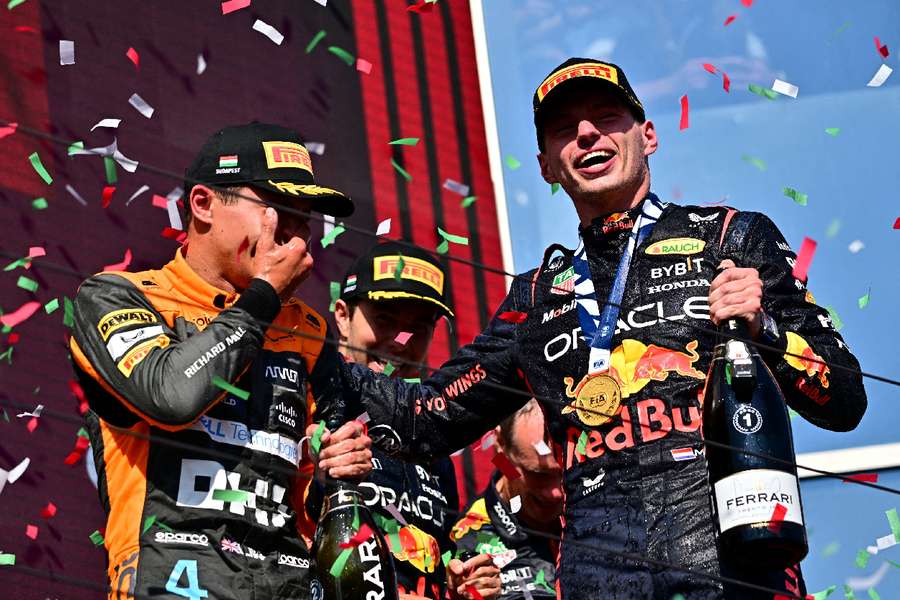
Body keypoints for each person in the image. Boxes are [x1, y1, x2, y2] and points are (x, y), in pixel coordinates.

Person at [315, 59, 868, 598]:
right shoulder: (534, 297)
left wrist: (764, 328)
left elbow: (844, 399)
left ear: (648, 135)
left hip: (735, 571)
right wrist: (299, 340)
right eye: (563, 130)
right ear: (546, 166)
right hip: (596, 579)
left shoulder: (731, 237)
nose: (585, 134)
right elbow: (421, 420)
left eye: (605, 117)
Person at [69, 122, 372, 599]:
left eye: (305, 216)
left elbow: (313, 506)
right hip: (168, 582)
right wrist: (261, 301)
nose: (295, 233)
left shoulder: (309, 332)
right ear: (203, 205)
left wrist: (333, 473)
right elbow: (170, 396)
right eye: (278, 208)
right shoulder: (118, 294)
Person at [316, 241, 501, 599]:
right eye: (384, 320)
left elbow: (440, 556)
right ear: (341, 315)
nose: (401, 342)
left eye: (419, 327)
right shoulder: (310, 403)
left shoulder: (430, 444)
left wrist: (464, 581)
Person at [450, 399, 562, 599]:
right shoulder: (470, 538)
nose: (556, 493)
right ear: (501, 444)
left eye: (563, 473)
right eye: (538, 474)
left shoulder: (601, 504)